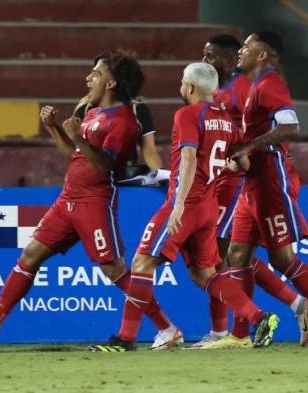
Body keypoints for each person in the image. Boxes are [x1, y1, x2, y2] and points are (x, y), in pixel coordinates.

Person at [0, 50, 182, 350]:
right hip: (68, 199)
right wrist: (54, 129)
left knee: (114, 270)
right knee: (30, 255)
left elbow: (105, 166)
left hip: (94, 202)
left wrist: (78, 138)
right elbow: (76, 156)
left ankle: (167, 328)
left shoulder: (125, 122)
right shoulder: (91, 112)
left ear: (112, 84)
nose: (89, 78)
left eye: (96, 74)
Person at [89, 62, 279, 352]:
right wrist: (219, 167)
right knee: (203, 274)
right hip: (209, 205)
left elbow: (188, 159)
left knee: (142, 263)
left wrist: (177, 205)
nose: (180, 87)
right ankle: (258, 316)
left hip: (187, 203)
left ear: (190, 87)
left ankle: (125, 338)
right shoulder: (228, 120)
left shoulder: (187, 114)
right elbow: (244, 162)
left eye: (181, 82)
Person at [226, 31, 308, 347]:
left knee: (281, 258)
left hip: (270, 181)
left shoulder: (271, 84)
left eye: (247, 45)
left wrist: (248, 147)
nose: (241, 50)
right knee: (236, 254)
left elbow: (290, 126)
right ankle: (240, 336)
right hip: (252, 182)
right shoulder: (253, 86)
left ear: (263, 54)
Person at [193, 34, 308, 349]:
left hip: (240, 181)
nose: (207, 62)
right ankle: (284, 308)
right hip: (225, 177)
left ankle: (232, 330)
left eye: (212, 55)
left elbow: (267, 130)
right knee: (231, 255)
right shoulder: (222, 90)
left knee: (223, 255)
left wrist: (253, 154)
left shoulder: (245, 87)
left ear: (232, 55)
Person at [74, 96, 163, 171]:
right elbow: (76, 152)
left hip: (125, 175)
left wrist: (164, 180)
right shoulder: (85, 109)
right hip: (91, 175)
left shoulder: (137, 108)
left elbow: (149, 151)